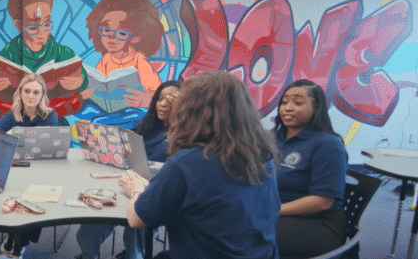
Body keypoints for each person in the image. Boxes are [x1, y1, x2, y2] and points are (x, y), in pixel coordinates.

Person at [119, 71, 280, 258]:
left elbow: (136, 218)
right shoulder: (262, 156)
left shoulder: (186, 163)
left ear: (190, 110)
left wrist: (136, 190)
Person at [76, 81, 180, 259]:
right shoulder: (148, 124)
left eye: (169, 100)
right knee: (89, 230)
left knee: (134, 235)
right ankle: (87, 255)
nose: (162, 104)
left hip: (152, 194)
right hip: (124, 186)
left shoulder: (182, 135)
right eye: (160, 99)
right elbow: (123, 140)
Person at [0, 0, 88, 119]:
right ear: (19, 26)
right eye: (33, 27)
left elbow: (80, 72)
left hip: (50, 100)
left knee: (76, 99)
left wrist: (79, 81)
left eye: (46, 25)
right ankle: (33, 115)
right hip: (21, 101)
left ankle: (43, 116)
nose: (42, 33)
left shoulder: (59, 50)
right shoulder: (12, 49)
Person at [273, 80, 348, 258]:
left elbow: (322, 201)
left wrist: (272, 210)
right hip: (276, 212)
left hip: (317, 222)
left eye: (298, 103)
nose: (288, 108)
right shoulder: (271, 138)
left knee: (246, 232)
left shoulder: (328, 144)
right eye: (284, 102)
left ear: (316, 108)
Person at [0, 73, 56, 258]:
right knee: (16, 192)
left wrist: (16, 134)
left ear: (42, 94)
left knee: (31, 197)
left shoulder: (50, 115)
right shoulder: (12, 115)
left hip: (41, 170)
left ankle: (17, 246)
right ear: (20, 93)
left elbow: (50, 144)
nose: (31, 96)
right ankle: (13, 238)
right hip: (18, 168)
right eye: (27, 91)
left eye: (36, 92)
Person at [86, 0, 163, 109]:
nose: (111, 37)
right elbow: (100, 88)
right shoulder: (105, 60)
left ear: (135, 38)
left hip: (134, 111)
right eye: (106, 30)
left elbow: (158, 94)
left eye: (121, 33)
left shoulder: (139, 60)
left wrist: (147, 100)